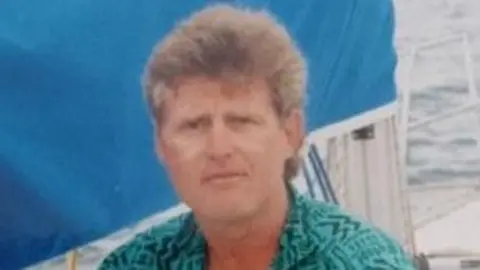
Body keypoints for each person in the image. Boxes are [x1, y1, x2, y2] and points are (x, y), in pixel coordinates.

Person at [98, 4, 415, 270]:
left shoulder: (363, 263)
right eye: (194, 126)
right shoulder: (134, 264)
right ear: (162, 145)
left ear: (290, 133)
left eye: (241, 122)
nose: (218, 148)